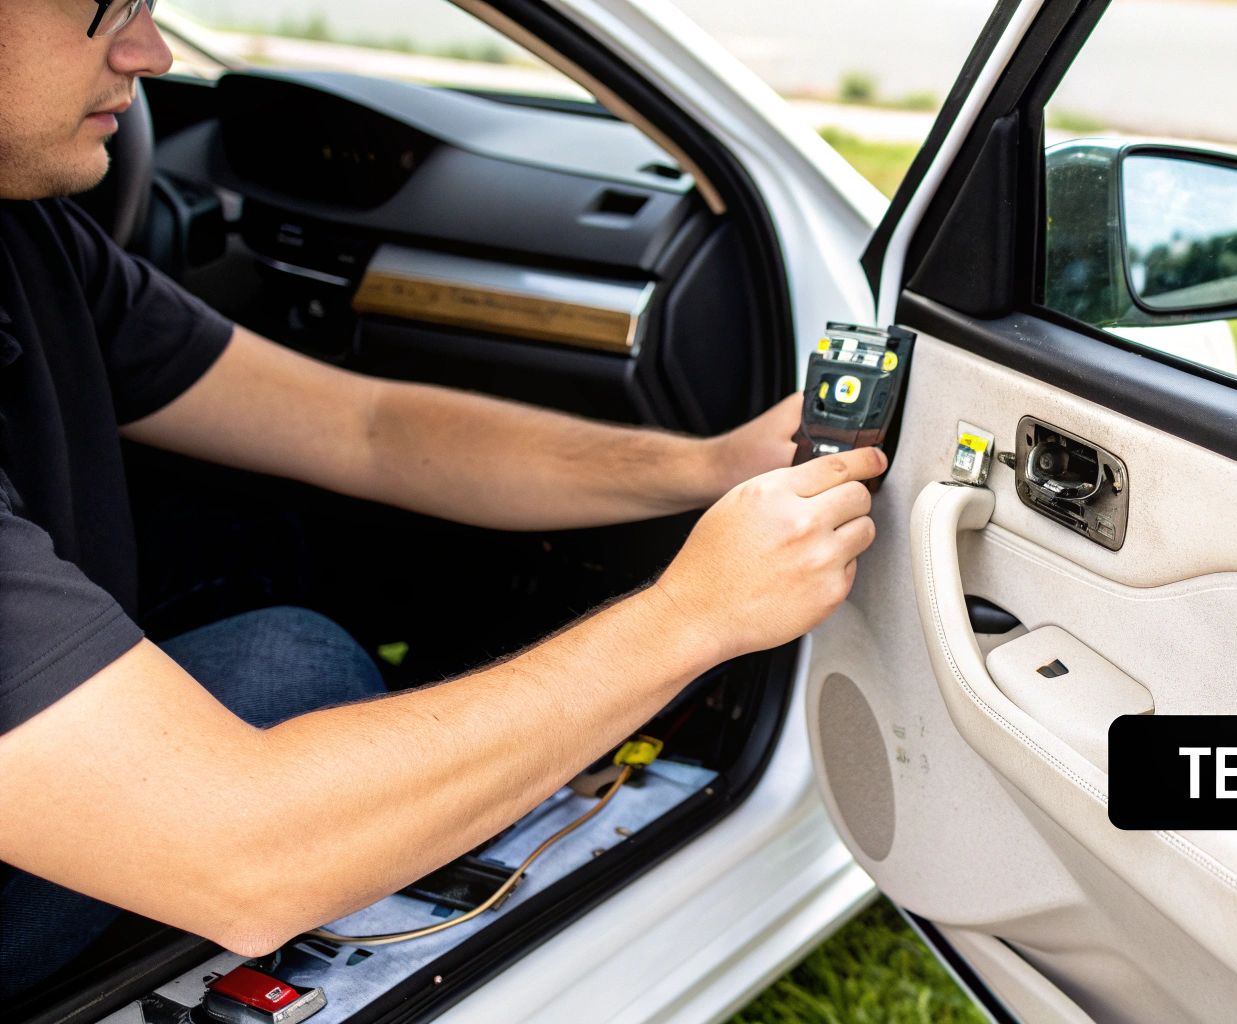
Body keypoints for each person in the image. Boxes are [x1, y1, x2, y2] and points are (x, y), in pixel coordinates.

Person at [0, 0, 882, 999]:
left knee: (254, 573)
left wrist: (707, 462)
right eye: (106, 10)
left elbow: (366, 428)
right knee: (294, 664)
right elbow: (245, 853)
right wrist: (694, 617)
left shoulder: (27, 232)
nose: (151, 52)